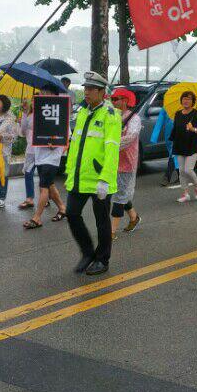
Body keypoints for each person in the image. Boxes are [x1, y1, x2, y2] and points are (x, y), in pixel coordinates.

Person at [64, 71, 121, 275]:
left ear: (101, 92)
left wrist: (105, 179)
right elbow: (75, 144)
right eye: (85, 88)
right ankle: (88, 252)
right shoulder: (82, 112)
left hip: (99, 180)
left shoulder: (111, 115)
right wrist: (70, 172)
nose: (86, 92)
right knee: (71, 213)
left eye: (90, 89)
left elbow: (112, 149)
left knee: (102, 222)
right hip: (80, 178)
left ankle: (102, 259)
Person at [22, 87, 67, 230]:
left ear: (54, 96)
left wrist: (58, 146)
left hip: (52, 158)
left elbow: (67, 138)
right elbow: (23, 132)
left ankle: (37, 218)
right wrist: (25, 112)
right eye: (41, 94)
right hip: (39, 156)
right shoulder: (36, 115)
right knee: (50, 185)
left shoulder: (60, 113)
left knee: (43, 188)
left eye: (45, 94)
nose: (42, 96)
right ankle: (62, 208)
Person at [109, 88, 141, 239]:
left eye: (117, 99)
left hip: (127, 162)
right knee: (120, 193)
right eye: (112, 99)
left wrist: (113, 144)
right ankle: (134, 218)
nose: (114, 102)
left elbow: (131, 137)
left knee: (119, 196)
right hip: (112, 161)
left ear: (126, 101)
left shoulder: (134, 119)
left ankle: (112, 231)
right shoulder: (112, 116)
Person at [171, 90, 197, 201]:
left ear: (193, 101)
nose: (186, 101)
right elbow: (175, 129)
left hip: (192, 145)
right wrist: (172, 141)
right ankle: (185, 194)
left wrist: (192, 129)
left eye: (189, 99)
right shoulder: (177, 114)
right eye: (184, 98)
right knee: (181, 171)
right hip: (179, 145)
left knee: (188, 170)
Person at [18, 98, 37, 210]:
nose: (34, 102)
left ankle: (48, 198)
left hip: (44, 150)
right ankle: (29, 198)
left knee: (46, 178)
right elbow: (23, 132)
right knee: (28, 173)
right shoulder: (29, 115)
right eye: (33, 100)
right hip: (31, 150)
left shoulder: (45, 116)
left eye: (36, 100)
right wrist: (25, 113)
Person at [151, 107, 177, 186]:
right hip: (169, 135)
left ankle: (167, 177)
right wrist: (154, 137)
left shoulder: (186, 108)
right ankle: (180, 175)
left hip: (180, 135)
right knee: (173, 155)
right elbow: (160, 121)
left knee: (173, 154)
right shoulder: (167, 106)